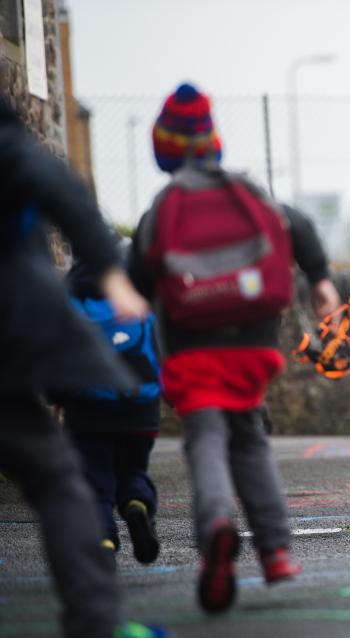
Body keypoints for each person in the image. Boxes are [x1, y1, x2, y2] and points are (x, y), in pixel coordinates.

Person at [128, 83, 341, 612]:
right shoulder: (248, 191)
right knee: (249, 437)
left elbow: (137, 274)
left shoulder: (165, 205)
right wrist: (320, 280)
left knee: (205, 438)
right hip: (252, 343)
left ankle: (217, 526)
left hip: (192, 347)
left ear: (165, 151)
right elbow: (298, 224)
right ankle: (275, 550)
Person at [0, 96, 164, 638]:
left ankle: (109, 533)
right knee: (58, 482)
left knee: (86, 479)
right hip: (121, 398)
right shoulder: (12, 147)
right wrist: (116, 275)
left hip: (87, 409)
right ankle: (96, 620)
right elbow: (66, 194)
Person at [60, 250, 162, 564]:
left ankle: (104, 539)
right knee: (133, 468)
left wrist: (57, 396)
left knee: (95, 479)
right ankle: (137, 502)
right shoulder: (137, 293)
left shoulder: (68, 296)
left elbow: (55, 354)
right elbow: (159, 351)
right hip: (140, 407)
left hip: (87, 410)